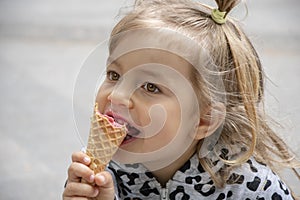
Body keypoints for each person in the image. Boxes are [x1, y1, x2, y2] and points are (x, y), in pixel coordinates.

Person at [63, 0, 300, 199]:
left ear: (203, 120)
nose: (117, 95)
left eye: (150, 87)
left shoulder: (252, 190)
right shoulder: (104, 172)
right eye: (114, 75)